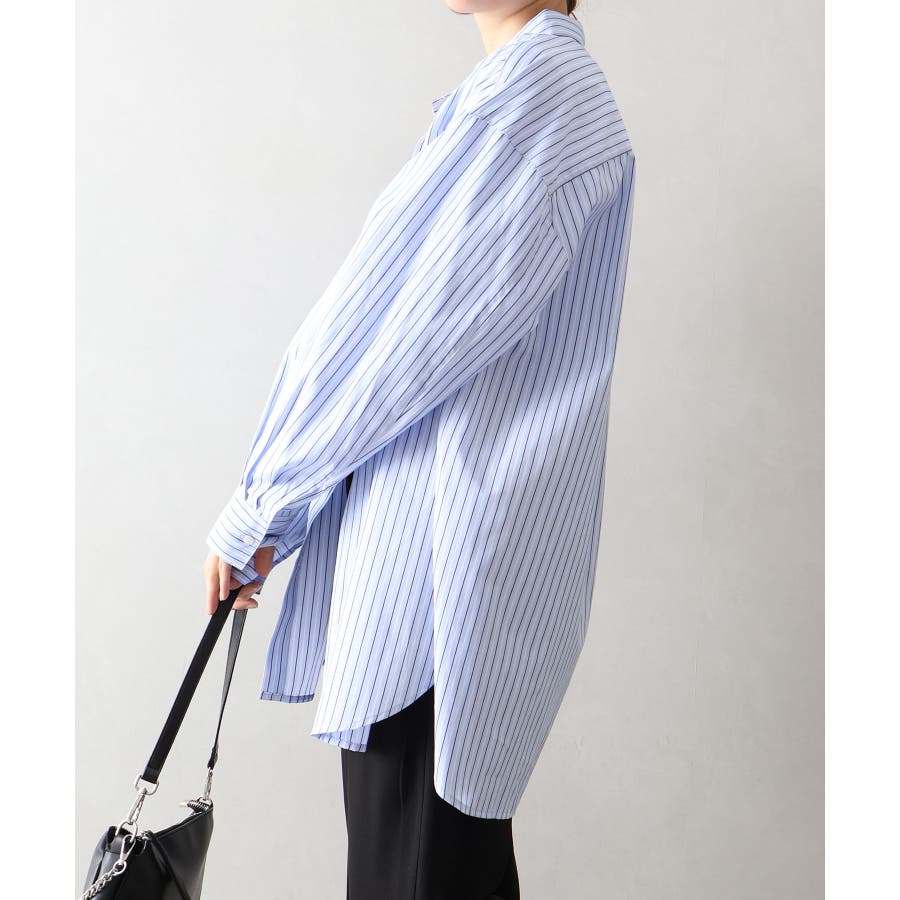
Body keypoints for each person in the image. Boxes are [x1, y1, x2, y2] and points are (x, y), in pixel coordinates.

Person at [203, 1, 635, 897]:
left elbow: (402, 341)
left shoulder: (537, 92)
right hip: (435, 584)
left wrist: (269, 499)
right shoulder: (514, 90)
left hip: (435, 590)